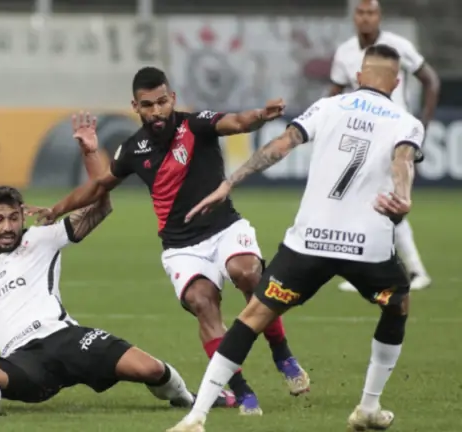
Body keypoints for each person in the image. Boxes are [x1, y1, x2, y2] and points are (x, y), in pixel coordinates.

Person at [168, 44, 422, 432]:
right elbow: (402, 160)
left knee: (252, 316)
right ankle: (368, 406)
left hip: (309, 244)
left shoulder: (326, 107)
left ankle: (196, 416)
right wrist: (403, 198)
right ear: (397, 81)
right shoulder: (406, 122)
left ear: (358, 76)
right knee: (397, 304)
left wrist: (229, 183)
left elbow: (279, 146)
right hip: (365, 248)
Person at [30, 67, 311, 415]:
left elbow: (237, 122)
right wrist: (58, 207)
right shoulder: (133, 149)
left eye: (162, 102)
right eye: (148, 105)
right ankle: (240, 389)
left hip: (224, 228)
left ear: (172, 99)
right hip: (181, 247)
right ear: (137, 106)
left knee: (248, 273)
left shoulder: (195, 125)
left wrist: (260, 117)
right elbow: (100, 186)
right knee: (201, 302)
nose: (157, 111)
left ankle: (281, 352)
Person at [0, 113, 216, 415]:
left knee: (150, 369)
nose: (7, 227)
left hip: (67, 339)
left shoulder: (43, 238)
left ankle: (191, 399)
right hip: (24, 359)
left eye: (13, 218)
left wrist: (89, 152)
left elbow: (101, 206)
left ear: (23, 215)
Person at [329, 0, 438, 292]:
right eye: (361, 13)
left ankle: (415, 270)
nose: (366, 18)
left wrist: (422, 128)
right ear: (355, 17)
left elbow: (431, 80)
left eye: (372, 12)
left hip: (395, 135)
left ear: (379, 16)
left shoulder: (398, 46)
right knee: (365, 200)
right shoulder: (345, 53)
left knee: (389, 201)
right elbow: (335, 93)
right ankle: (371, 269)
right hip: (364, 137)